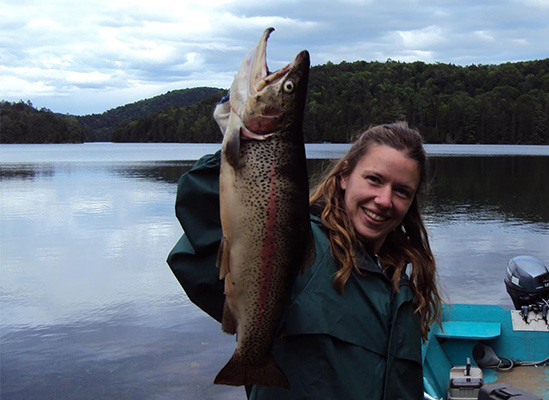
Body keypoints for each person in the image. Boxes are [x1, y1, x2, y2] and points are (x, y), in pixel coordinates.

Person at [167, 121, 442, 400]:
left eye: (401, 191)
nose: (384, 200)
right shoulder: (297, 245)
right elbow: (202, 241)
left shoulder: (403, 288)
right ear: (345, 176)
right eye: (374, 179)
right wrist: (240, 146)